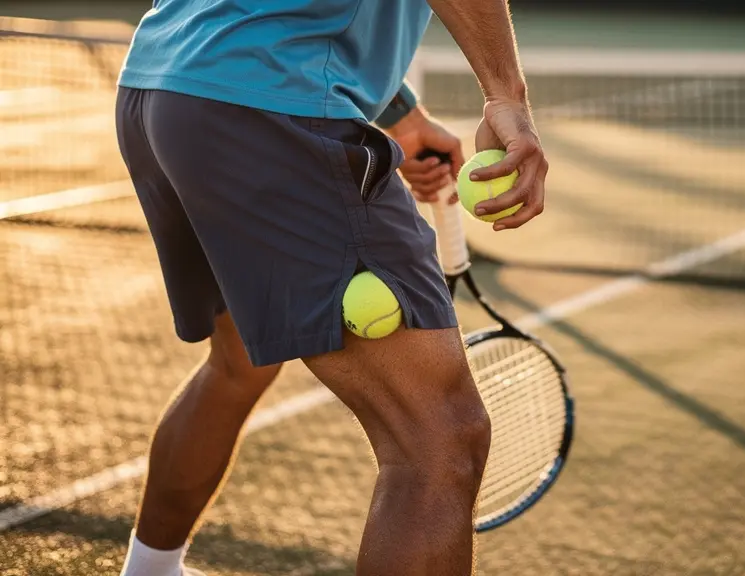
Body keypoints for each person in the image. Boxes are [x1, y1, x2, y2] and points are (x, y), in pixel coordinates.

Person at [113, 0, 548, 574]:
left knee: (239, 361)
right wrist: (506, 96)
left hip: (162, 92)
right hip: (267, 110)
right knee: (438, 438)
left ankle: (150, 571)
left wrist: (404, 116)